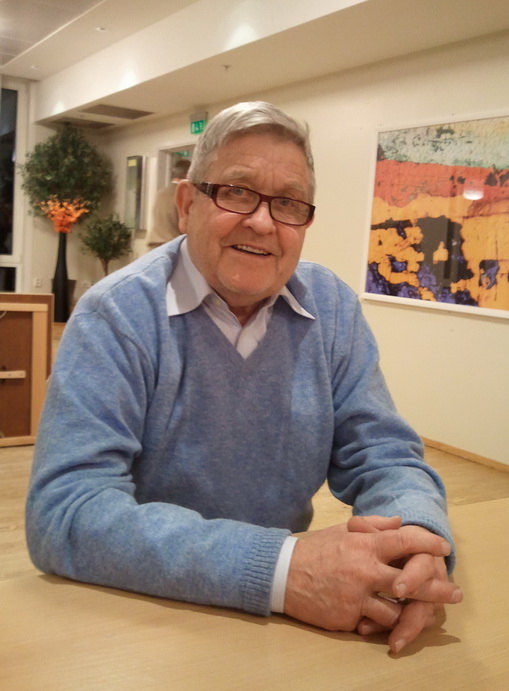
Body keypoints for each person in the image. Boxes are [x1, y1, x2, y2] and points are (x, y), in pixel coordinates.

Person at [26, 101, 462, 654]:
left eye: (288, 203)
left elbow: (384, 456)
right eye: (236, 192)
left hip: (286, 630)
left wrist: (417, 545)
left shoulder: (330, 308)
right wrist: (281, 568)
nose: (262, 222)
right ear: (187, 204)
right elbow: (66, 512)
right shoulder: (115, 316)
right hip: (141, 622)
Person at [144, 158, 191, 250]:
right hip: (172, 248)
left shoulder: (160, 193)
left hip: (154, 247)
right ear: (188, 175)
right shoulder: (184, 194)